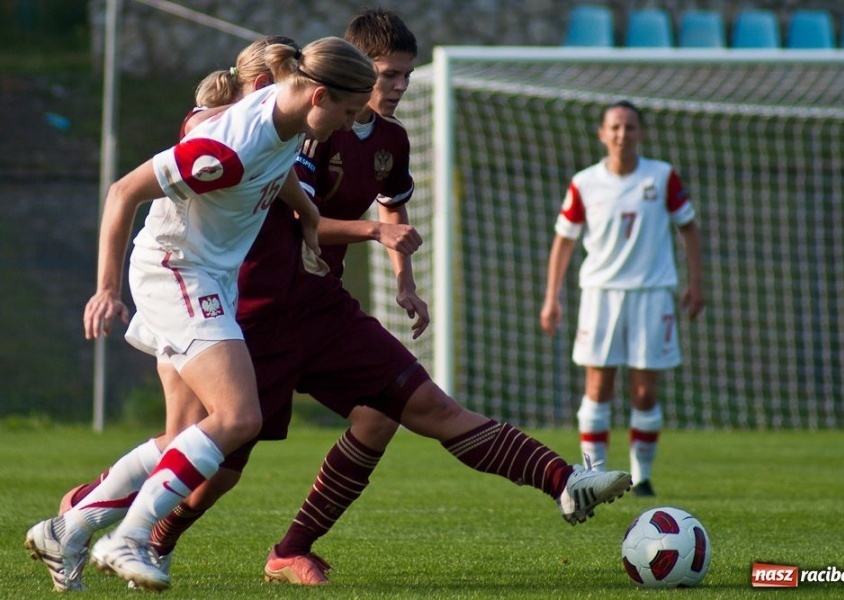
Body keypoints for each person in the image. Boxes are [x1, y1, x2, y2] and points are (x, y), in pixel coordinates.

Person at [42, 15, 632, 593]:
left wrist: (338, 236)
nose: (387, 95)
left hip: (320, 309)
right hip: (243, 307)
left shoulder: (328, 129)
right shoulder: (255, 138)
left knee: (410, 406)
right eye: (381, 81)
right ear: (332, 85)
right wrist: (107, 288)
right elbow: (133, 188)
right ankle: (110, 528)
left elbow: (291, 190)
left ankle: (561, 479)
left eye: (403, 77)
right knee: (210, 455)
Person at [25, 36, 378, 592]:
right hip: (176, 271)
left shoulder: (286, 114)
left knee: (188, 435)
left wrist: (308, 215)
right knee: (239, 418)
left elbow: (278, 163)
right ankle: (128, 539)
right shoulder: (229, 145)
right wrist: (105, 290)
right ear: (318, 95)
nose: (349, 125)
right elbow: (122, 192)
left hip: (206, 274)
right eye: (349, 112)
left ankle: (68, 529)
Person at [540, 100, 704, 498]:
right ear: (602, 134)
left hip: (652, 294)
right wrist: (552, 297)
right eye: (614, 127)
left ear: (641, 134)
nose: (621, 134)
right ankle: (592, 477)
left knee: (645, 391)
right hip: (600, 294)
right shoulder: (585, 182)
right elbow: (564, 240)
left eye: (630, 127)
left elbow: (689, 228)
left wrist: (696, 281)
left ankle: (642, 478)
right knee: (598, 385)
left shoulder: (662, 177)